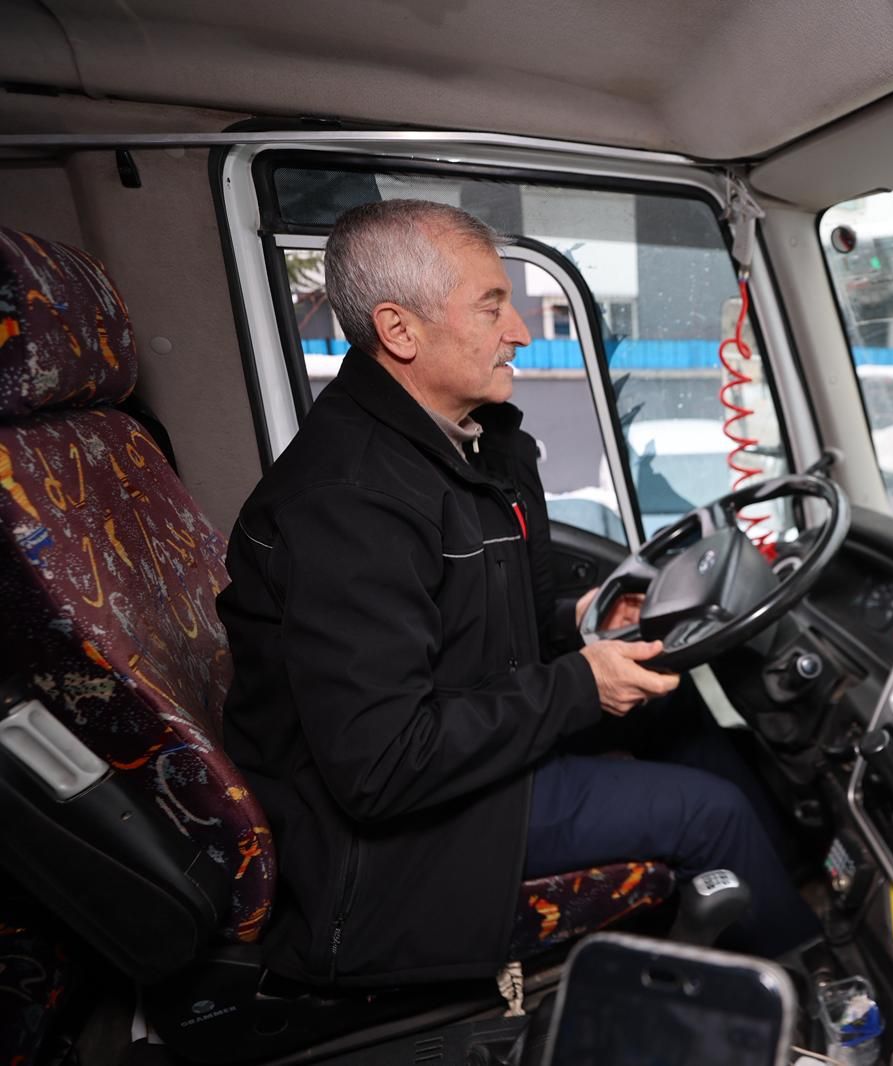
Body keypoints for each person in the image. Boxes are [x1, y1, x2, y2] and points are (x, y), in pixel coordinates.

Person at [218, 199, 816, 986]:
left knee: (676, 711)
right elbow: (382, 765)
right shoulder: (349, 502)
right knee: (709, 812)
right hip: (385, 852)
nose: (522, 331)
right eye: (492, 306)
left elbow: (469, 630)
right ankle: (812, 997)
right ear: (400, 331)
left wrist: (581, 620)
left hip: (453, 759)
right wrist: (580, 685)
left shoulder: (462, 447)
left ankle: (790, 895)